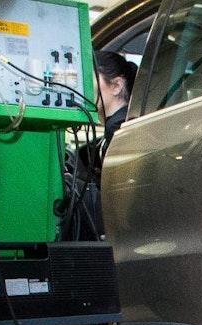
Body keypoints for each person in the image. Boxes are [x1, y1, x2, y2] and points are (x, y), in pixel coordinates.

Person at [64, 50, 137, 241]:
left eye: (89, 79)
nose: (82, 88)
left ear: (116, 86)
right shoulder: (115, 130)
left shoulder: (120, 132)